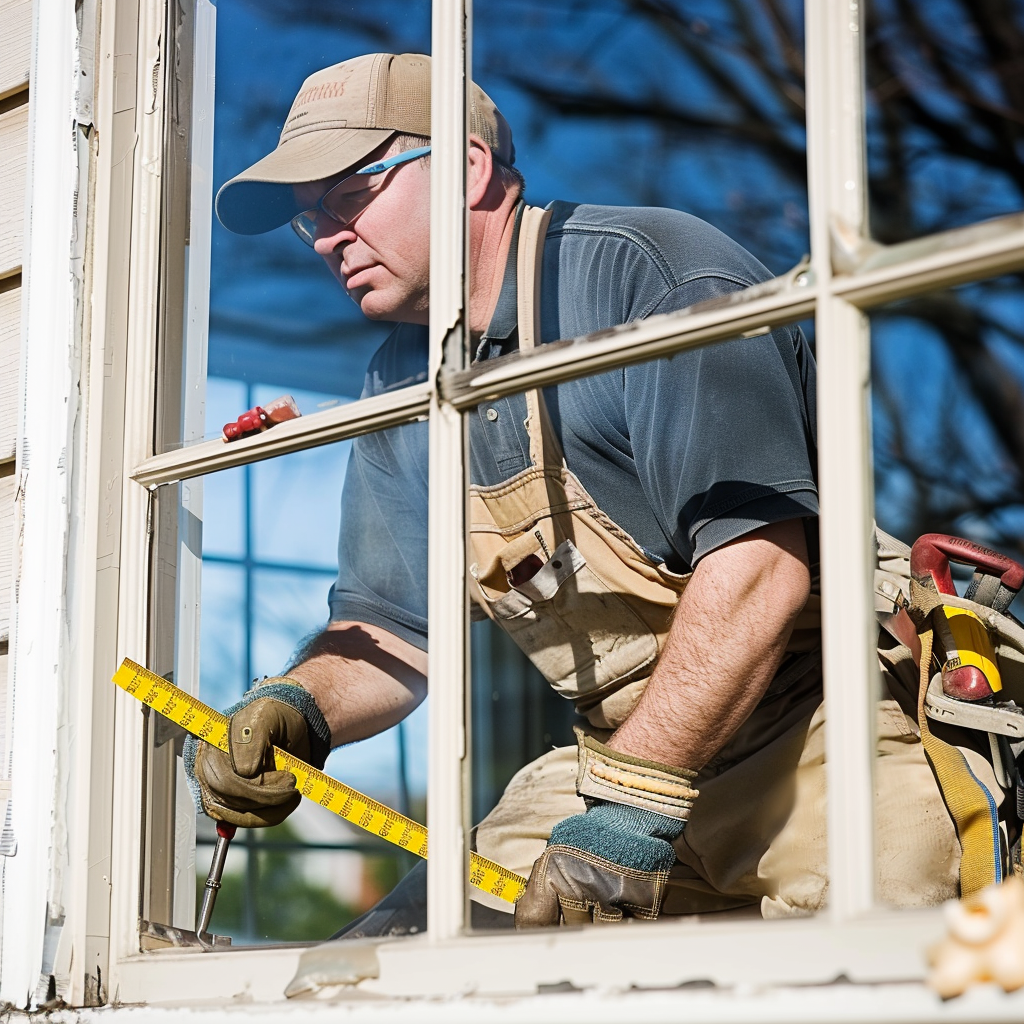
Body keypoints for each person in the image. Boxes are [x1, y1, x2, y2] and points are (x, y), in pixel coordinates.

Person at [186, 52, 971, 931]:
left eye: (347, 196)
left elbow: (757, 569)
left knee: (873, 962)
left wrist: (635, 802)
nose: (327, 236)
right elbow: (393, 630)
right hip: (613, 757)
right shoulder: (404, 384)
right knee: (397, 972)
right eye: (309, 220)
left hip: (820, 720)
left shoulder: (654, 281)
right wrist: (301, 706)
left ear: (469, 171)